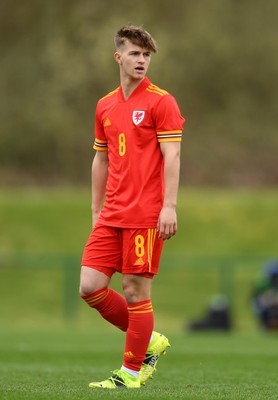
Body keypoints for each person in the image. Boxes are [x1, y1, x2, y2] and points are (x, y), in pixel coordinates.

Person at [79, 24, 185, 389]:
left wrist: (169, 206)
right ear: (118, 57)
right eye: (135, 53)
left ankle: (130, 373)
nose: (142, 60)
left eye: (146, 55)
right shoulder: (104, 105)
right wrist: (96, 212)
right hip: (112, 214)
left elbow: (172, 155)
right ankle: (150, 341)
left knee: (135, 290)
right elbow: (100, 161)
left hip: (146, 212)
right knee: (90, 286)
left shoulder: (161, 101)